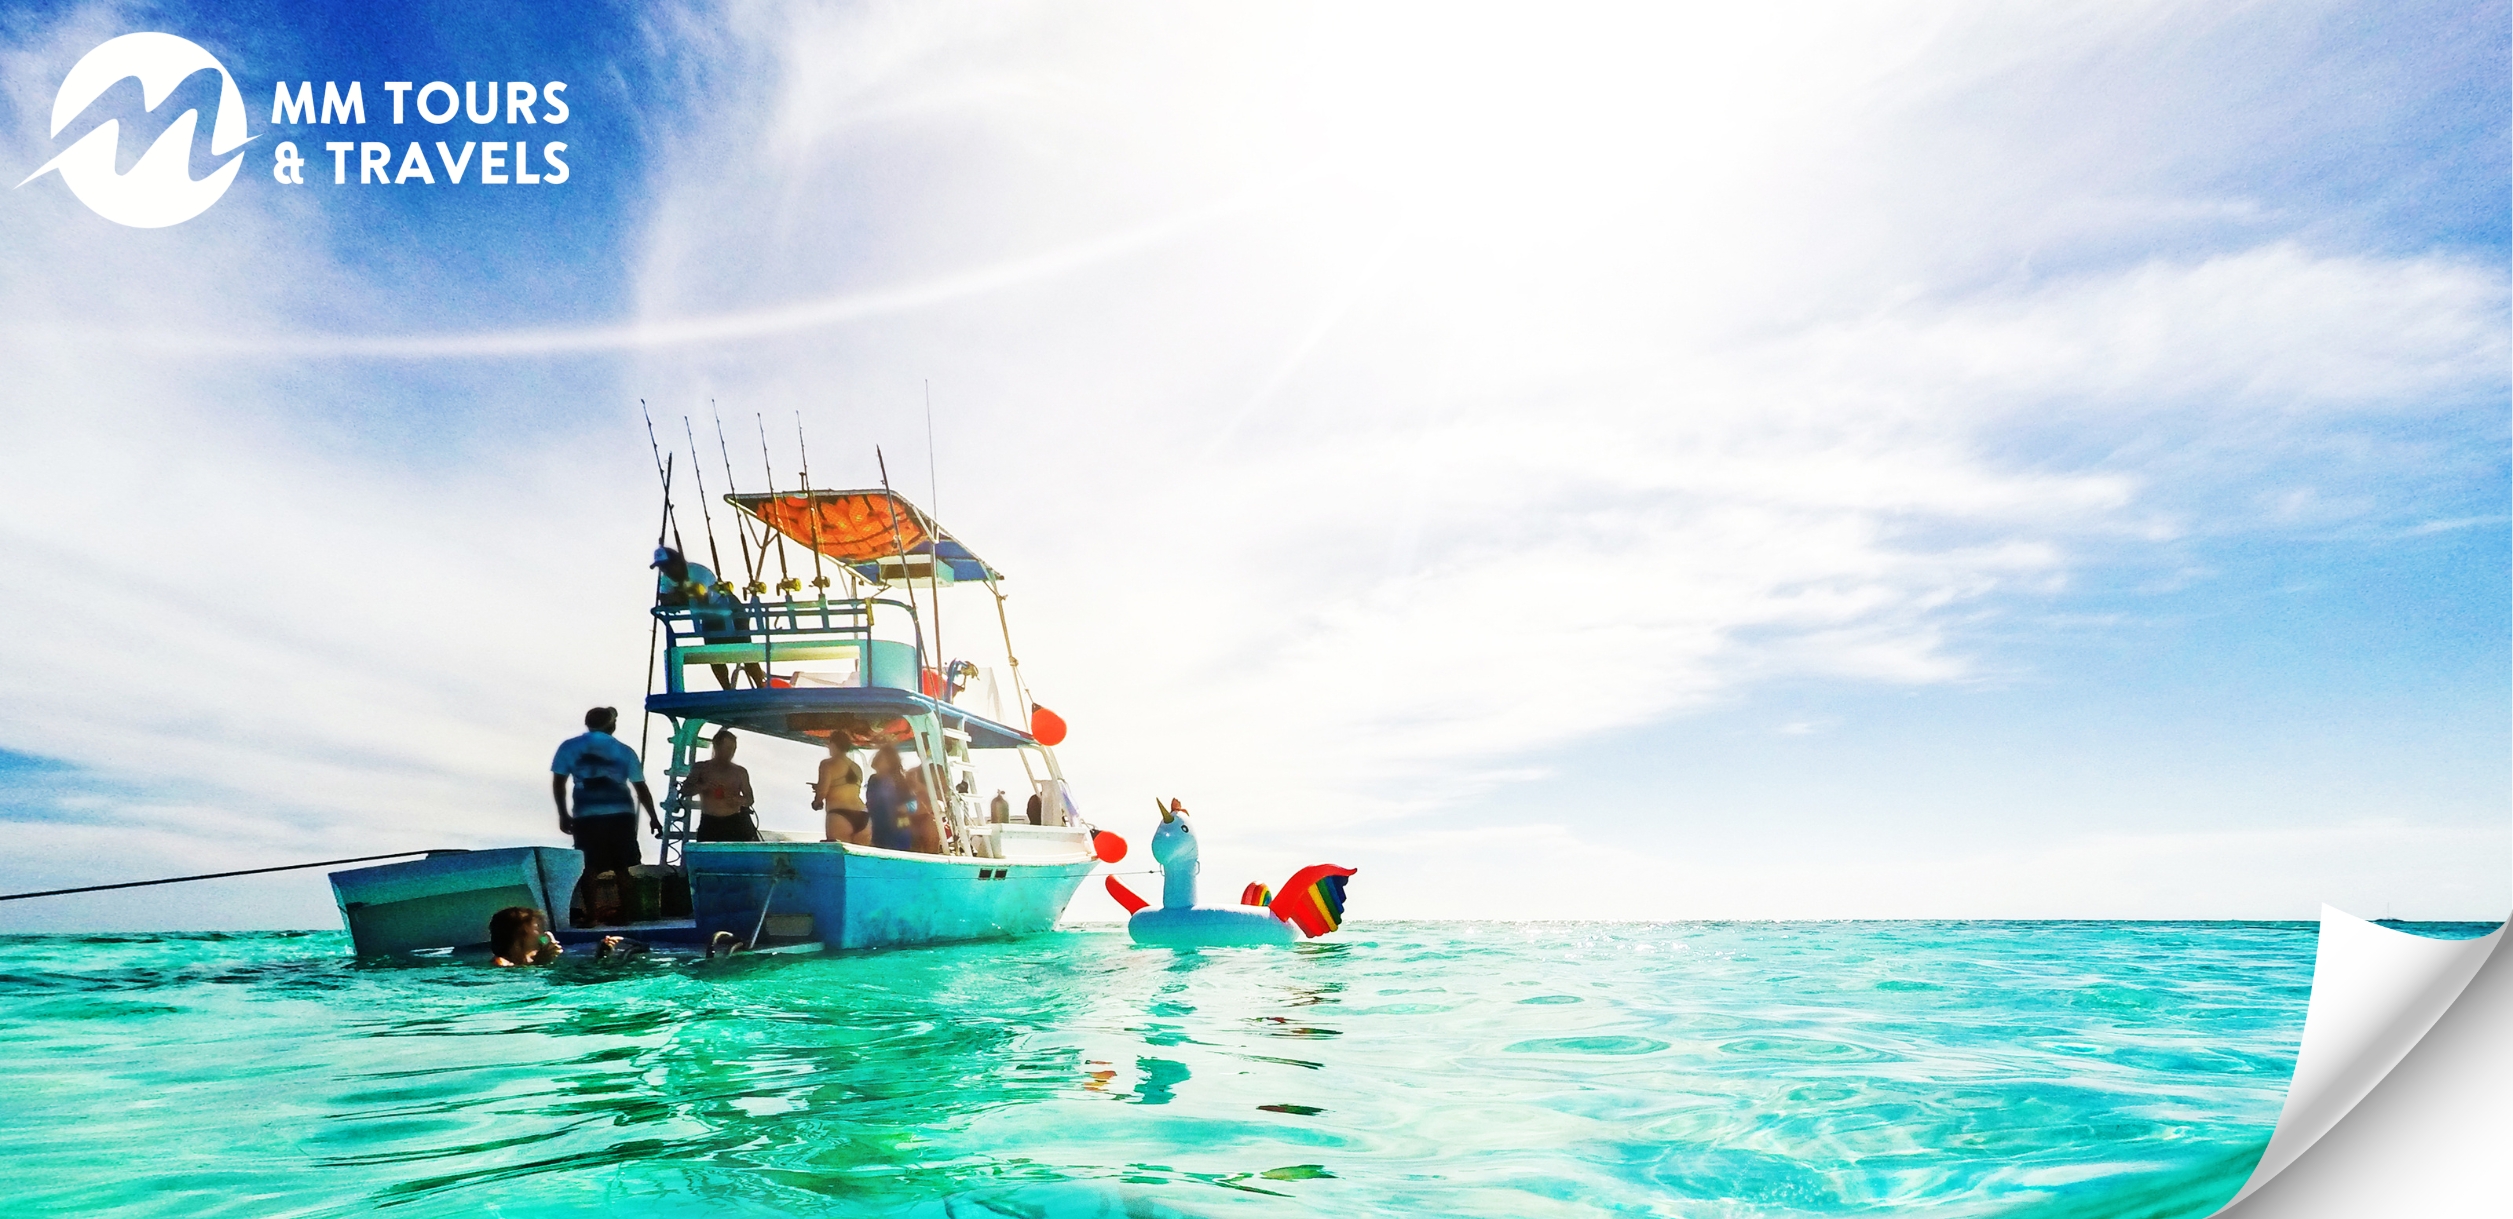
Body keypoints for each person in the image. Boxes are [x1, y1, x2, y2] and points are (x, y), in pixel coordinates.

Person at [550, 706, 662, 883]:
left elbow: (559, 783)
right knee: (623, 868)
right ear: (612, 725)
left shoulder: (569, 747)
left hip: (586, 815)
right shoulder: (625, 751)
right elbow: (641, 788)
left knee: (589, 868)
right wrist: (653, 817)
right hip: (621, 816)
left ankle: (592, 911)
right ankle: (628, 909)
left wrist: (563, 814)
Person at [652, 546, 766, 690]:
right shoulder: (666, 579)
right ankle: (727, 691)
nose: (666, 571)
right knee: (713, 655)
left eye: (668, 566)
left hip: (730, 608)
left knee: (744, 650)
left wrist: (678, 596)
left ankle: (760, 686)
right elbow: (664, 599)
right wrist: (681, 596)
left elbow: (701, 596)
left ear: (678, 562)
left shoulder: (699, 572)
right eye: (662, 568)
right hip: (709, 616)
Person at [686, 730, 760, 842]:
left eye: (733, 749)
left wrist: (737, 799)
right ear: (717, 747)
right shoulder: (701, 768)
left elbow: (750, 800)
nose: (731, 753)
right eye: (727, 748)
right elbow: (685, 790)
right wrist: (703, 786)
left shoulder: (740, 772)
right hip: (709, 822)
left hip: (734, 822)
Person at [813, 736, 870, 845]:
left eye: (829, 744)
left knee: (838, 856)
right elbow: (849, 787)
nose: (828, 746)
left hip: (840, 815)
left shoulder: (827, 764)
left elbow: (823, 791)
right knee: (860, 859)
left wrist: (817, 802)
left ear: (834, 745)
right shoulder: (856, 767)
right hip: (863, 815)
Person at [864, 745, 921, 853]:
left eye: (883, 759)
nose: (880, 761)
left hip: (899, 829)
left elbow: (914, 803)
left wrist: (905, 807)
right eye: (879, 758)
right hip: (878, 829)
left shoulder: (900, 780)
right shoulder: (873, 780)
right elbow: (871, 803)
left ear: (891, 763)